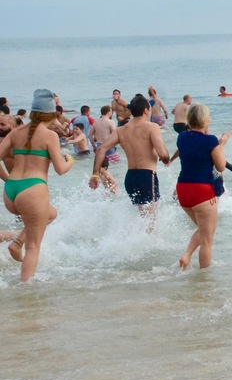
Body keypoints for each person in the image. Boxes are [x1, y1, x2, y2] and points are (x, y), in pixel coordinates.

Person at [0, 89, 74, 281]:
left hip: (11, 191)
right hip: (33, 190)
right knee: (33, 248)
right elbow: (60, 169)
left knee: (51, 214)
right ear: (51, 114)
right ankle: (26, 295)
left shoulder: (16, 133)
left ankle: (16, 243)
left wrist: (7, 179)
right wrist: (70, 161)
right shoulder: (50, 136)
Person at [91, 94, 171, 223]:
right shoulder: (152, 127)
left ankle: (135, 241)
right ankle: (148, 243)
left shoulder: (121, 130)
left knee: (142, 218)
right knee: (151, 219)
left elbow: (101, 149)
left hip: (130, 178)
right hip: (146, 176)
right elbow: (162, 154)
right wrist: (167, 159)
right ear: (145, 110)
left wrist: (95, 174)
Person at [174, 102, 228, 270]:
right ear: (205, 119)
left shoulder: (181, 137)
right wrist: (221, 145)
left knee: (204, 230)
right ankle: (204, 283)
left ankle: (187, 254)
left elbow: (195, 147)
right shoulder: (211, 140)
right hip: (202, 190)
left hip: (183, 189)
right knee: (207, 240)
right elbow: (220, 167)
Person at [89, 107, 121, 194]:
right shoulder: (110, 122)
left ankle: (106, 187)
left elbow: (89, 135)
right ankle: (113, 187)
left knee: (102, 168)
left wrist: (94, 147)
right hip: (109, 146)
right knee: (116, 166)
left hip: (99, 146)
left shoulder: (96, 122)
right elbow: (115, 135)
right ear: (109, 112)